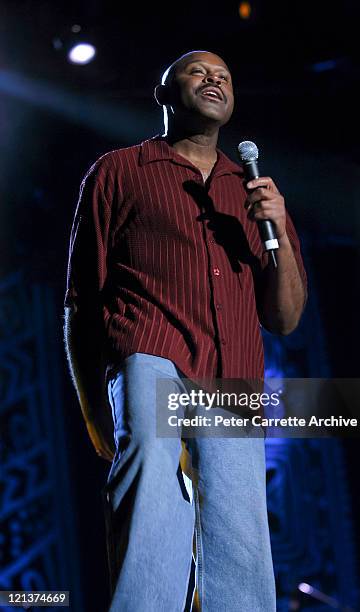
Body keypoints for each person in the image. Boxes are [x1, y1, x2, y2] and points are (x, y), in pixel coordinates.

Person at [63, 49, 307, 612]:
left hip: (232, 372)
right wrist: (92, 408)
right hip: (149, 347)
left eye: (225, 75)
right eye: (199, 71)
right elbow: (80, 300)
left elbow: (287, 318)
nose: (214, 79)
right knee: (151, 463)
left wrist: (279, 230)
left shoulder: (254, 192)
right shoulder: (119, 171)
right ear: (164, 93)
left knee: (240, 532)